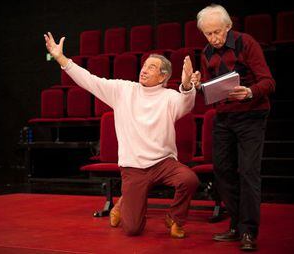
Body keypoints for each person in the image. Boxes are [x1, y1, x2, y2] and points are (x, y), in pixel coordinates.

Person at [44, 32, 199, 238]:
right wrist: (60, 58)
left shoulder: (170, 97)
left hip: (164, 163)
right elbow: (89, 80)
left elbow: (186, 104)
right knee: (133, 230)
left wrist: (187, 85)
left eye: (151, 67)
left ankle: (174, 219)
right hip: (133, 167)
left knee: (189, 179)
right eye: (144, 65)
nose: (144, 70)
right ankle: (122, 204)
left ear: (163, 77)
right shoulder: (123, 90)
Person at [191, 4, 276, 251]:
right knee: (223, 172)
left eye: (217, 32)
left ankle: (249, 231)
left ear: (228, 26)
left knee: (248, 173)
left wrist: (249, 92)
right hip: (224, 117)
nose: (214, 38)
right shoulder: (207, 52)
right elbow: (211, 91)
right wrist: (199, 86)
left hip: (252, 114)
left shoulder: (246, 43)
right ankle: (236, 226)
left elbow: (268, 82)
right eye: (208, 34)